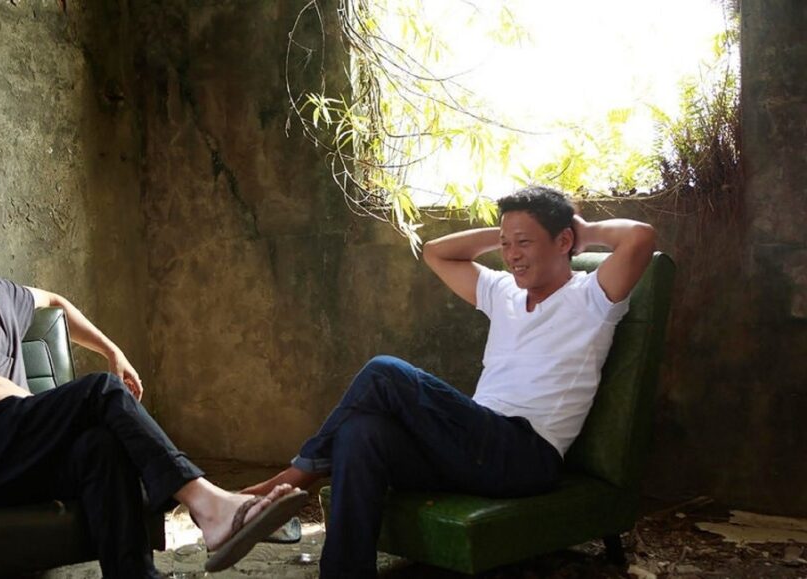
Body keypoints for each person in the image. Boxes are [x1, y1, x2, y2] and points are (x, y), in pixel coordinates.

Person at [243, 185, 657, 578]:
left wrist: (584, 231)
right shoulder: (504, 292)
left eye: (524, 243)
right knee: (361, 432)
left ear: (563, 242)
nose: (512, 256)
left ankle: (286, 484)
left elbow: (640, 237)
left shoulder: (592, 298)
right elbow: (437, 252)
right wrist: (508, 234)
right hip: (475, 447)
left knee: (385, 372)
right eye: (506, 244)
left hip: (525, 454)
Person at [0, 206, 308, 578]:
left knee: (99, 445)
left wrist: (112, 350)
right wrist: (67, 410)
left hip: (10, 455)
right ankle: (208, 504)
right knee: (96, 393)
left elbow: (55, 302)